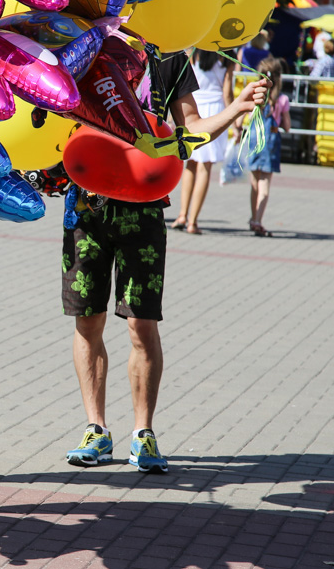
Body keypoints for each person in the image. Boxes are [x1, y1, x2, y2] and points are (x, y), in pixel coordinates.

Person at [62, 50, 268, 473]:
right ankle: (95, 429)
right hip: (87, 204)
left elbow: (189, 129)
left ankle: (143, 433)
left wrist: (236, 107)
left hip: (145, 205)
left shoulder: (169, 58)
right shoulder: (87, 46)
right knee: (88, 320)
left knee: (142, 324)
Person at [171, 50, 234, 234]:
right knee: (205, 167)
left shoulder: (194, 50)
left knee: (190, 163)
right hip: (215, 110)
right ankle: (193, 222)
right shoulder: (227, 54)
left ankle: (182, 215)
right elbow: (227, 91)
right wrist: (234, 120)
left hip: (193, 106)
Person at [244, 57, 289, 237]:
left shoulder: (255, 95)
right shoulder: (282, 99)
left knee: (254, 182)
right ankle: (258, 220)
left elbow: (244, 118)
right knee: (265, 183)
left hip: (254, 138)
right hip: (270, 141)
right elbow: (287, 125)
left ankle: (253, 216)